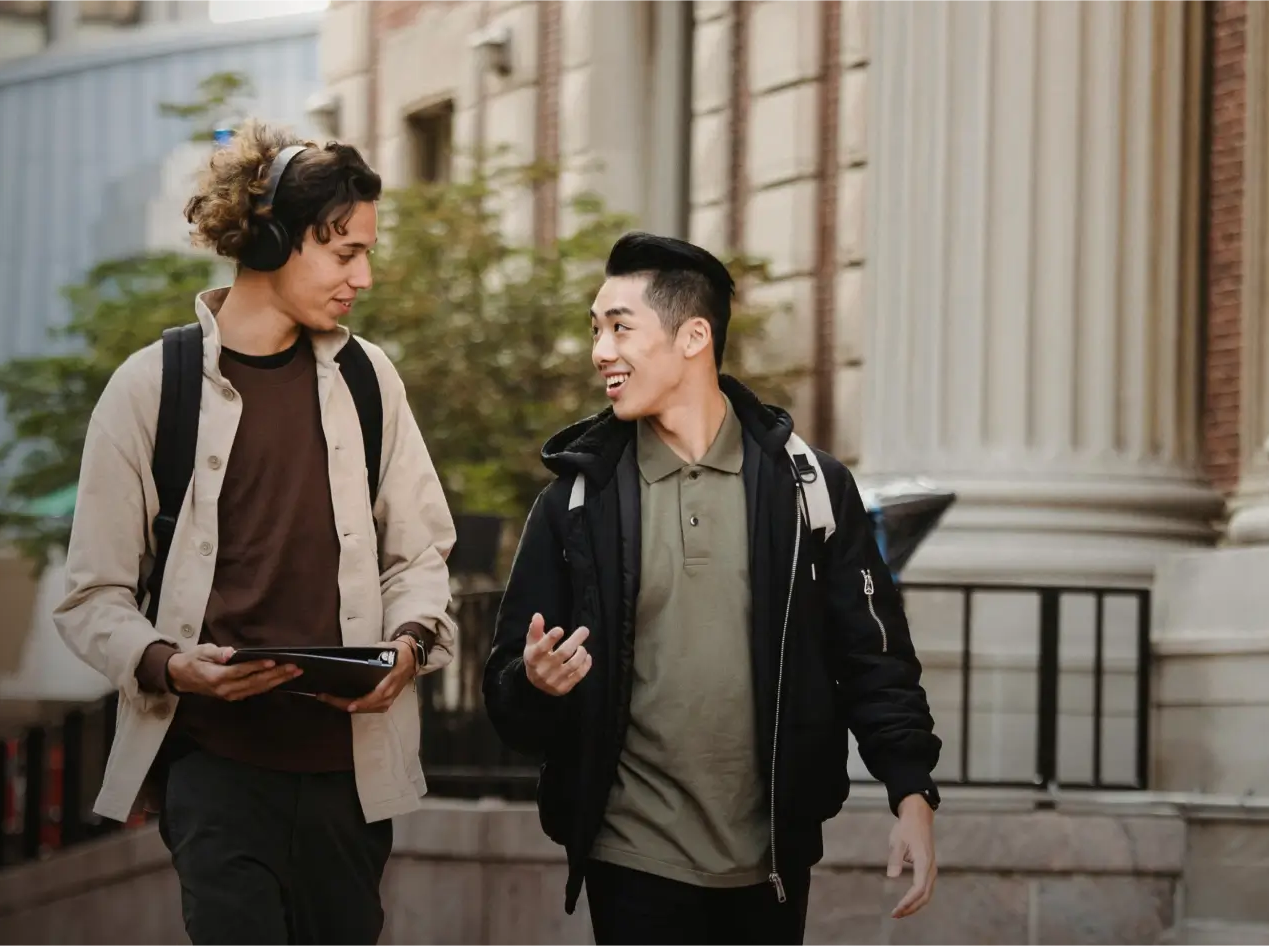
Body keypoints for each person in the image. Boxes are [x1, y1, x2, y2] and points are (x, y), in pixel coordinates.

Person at [54, 119, 458, 946]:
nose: (365, 277)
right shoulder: (148, 389)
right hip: (216, 770)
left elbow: (418, 553)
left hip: (350, 772)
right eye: (344, 252)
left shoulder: (368, 380)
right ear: (271, 240)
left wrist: (410, 646)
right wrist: (172, 664)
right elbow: (93, 594)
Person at [481, 231, 942, 945]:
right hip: (629, 851)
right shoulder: (577, 502)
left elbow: (873, 655)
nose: (600, 350)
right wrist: (535, 683)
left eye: (619, 327)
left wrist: (911, 793)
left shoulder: (809, 490)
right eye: (595, 329)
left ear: (693, 335)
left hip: (769, 858)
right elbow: (507, 691)